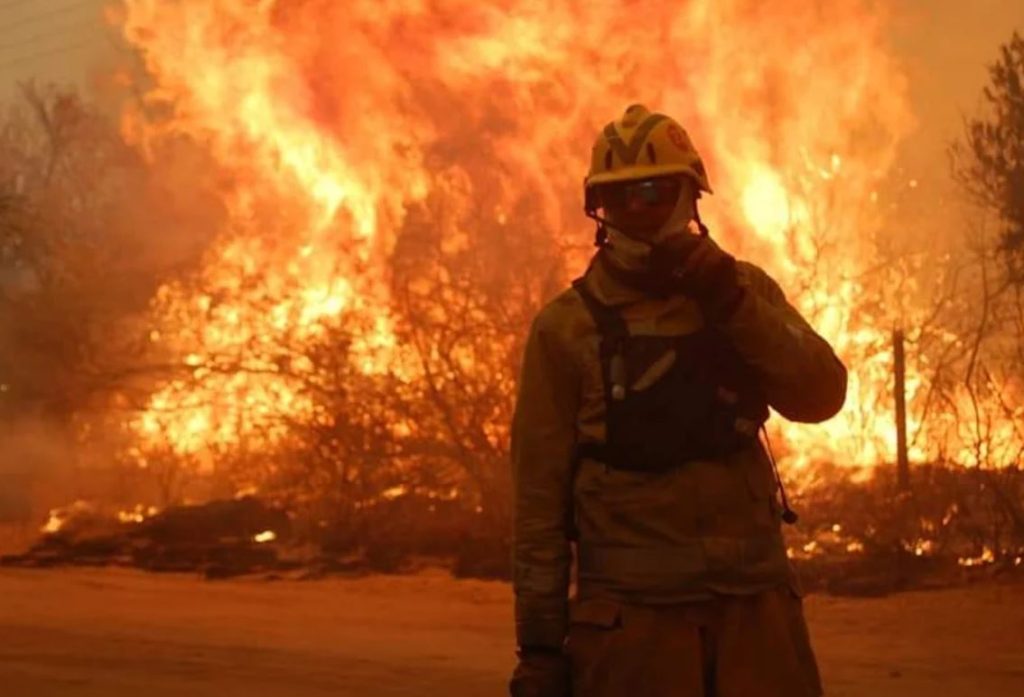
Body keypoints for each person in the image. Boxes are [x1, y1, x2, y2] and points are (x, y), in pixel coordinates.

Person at [508, 104, 847, 697]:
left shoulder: (744, 293)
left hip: (756, 617)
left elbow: (821, 396)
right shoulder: (566, 330)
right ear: (598, 207)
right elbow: (539, 507)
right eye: (620, 197)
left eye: (653, 191)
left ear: (690, 194)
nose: (638, 210)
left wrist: (732, 304)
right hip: (634, 631)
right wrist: (540, 649)